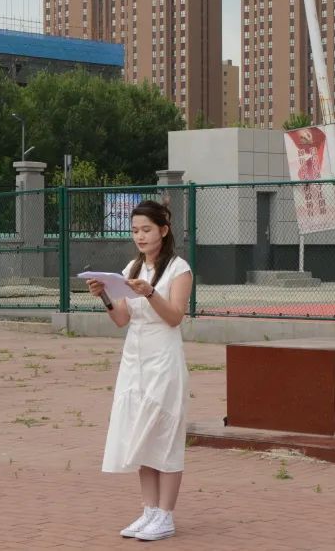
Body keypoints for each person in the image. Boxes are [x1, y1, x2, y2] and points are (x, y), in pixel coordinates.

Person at [87, 199, 193, 542]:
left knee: (165, 433)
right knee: (141, 434)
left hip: (164, 357)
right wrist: (104, 296)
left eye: (147, 229)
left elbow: (174, 317)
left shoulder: (179, 269)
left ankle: (165, 515)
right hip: (135, 359)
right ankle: (149, 511)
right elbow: (121, 318)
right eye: (135, 231)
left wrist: (150, 293)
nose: (140, 236)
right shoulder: (132, 267)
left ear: (164, 230)